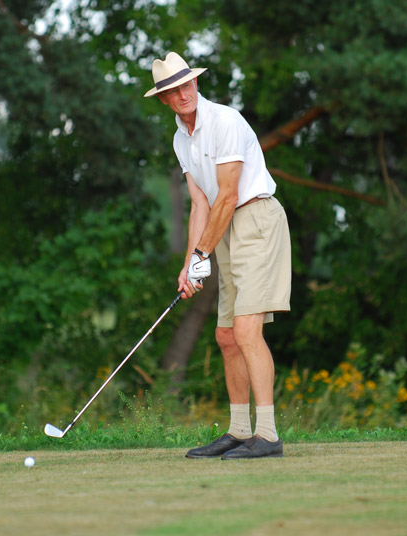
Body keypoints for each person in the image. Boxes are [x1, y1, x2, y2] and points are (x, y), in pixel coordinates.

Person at [144, 52, 292, 459]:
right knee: (226, 336)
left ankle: (268, 435)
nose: (183, 93)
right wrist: (190, 262)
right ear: (164, 100)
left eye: (186, 84)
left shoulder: (224, 121)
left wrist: (202, 253)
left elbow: (227, 194)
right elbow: (200, 203)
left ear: (195, 83)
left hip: (256, 220)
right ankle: (240, 431)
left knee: (246, 331)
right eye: (173, 90)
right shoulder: (180, 139)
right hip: (223, 229)